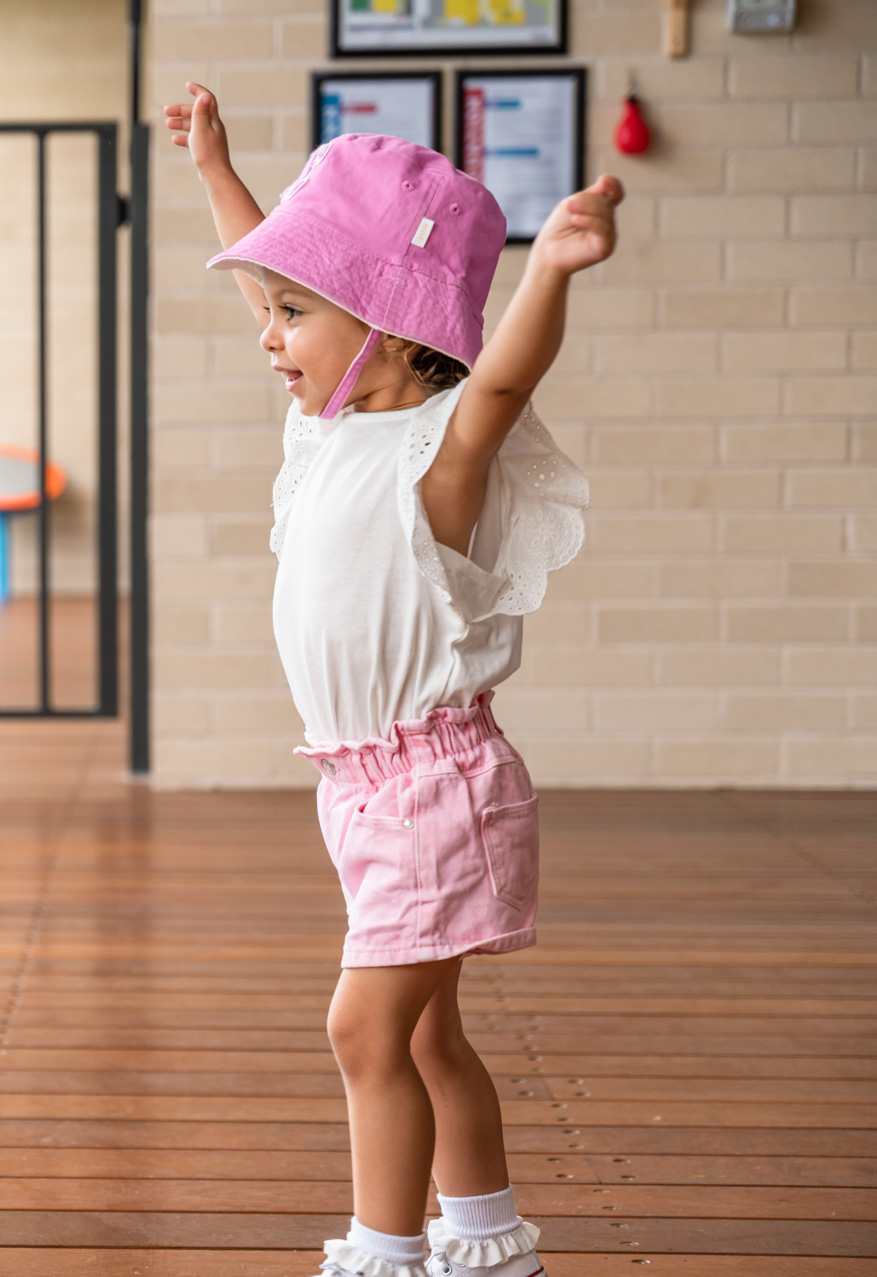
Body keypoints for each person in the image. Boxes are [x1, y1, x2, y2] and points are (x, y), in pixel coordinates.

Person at [166, 86, 619, 1277]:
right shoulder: (325, 433)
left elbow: (503, 384)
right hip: (365, 789)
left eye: (293, 313)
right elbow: (276, 283)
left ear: (384, 326)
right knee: (426, 1035)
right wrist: (218, 167)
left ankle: (384, 1249)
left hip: (439, 787)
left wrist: (553, 270)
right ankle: (486, 1234)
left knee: (363, 1027)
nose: (269, 333)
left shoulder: (437, 452)